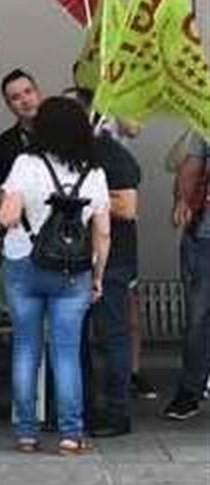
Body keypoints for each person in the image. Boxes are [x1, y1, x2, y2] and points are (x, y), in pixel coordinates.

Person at [0, 97, 110, 455]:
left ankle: (27, 434)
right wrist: (98, 276)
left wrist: (17, 209)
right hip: (73, 272)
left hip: (23, 263)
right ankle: (71, 434)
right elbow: (103, 233)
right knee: (67, 352)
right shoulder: (95, 173)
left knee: (26, 348)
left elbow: (6, 217)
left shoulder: (25, 164)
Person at [64, 89, 141, 438]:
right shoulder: (63, 155)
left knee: (112, 337)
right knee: (74, 338)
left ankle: (117, 410)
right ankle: (81, 407)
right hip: (72, 259)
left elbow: (127, 207)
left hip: (113, 260)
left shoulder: (111, 153)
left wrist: (81, 197)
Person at [165, 132, 210, 420]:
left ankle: (190, 393)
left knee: (199, 318)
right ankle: (190, 390)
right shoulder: (203, 115)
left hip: (203, 235)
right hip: (204, 235)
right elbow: (190, 165)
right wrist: (183, 200)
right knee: (198, 318)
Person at [0, 69, 44, 202]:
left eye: (28, 91)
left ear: (39, 93)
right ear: (9, 105)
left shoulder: (64, 132)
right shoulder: (3, 143)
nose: (25, 100)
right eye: (16, 98)